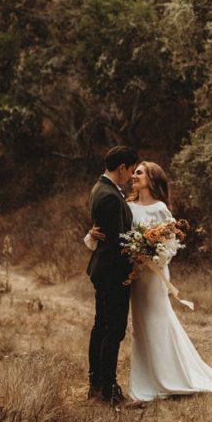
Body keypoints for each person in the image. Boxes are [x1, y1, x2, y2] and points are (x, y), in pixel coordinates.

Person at [86, 161, 212, 402]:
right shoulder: (128, 205)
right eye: (134, 172)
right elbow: (112, 233)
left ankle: (169, 376)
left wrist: (150, 256)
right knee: (140, 328)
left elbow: (170, 246)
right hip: (133, 276)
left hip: (153, 276)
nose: (134, 176)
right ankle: (147, 377)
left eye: (140, 172)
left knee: (158, 322)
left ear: (152, 179)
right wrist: (93, 236)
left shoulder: (161, 208)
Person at [85, 145, 139, 404]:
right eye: (130, 171)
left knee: (101, 327)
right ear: (122, 168)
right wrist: (130, 270)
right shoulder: (108, 195)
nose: (131, 176)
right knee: (113, 329)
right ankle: (107, 389)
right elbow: (117, 242)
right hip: (111, 272)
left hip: (104, 269)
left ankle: (96, 384)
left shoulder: (101, 188)